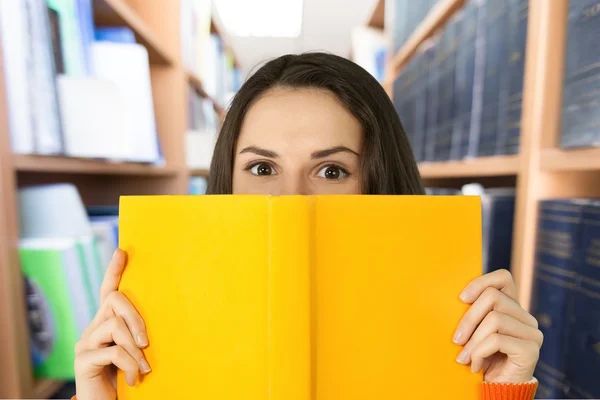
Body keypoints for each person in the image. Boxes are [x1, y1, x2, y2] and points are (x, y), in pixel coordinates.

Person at [73, 53, 541, 399]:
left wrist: (503, 390)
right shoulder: (161, 323)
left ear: (377, 180)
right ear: (226, 179)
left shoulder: (456, 331)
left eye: (332, 170)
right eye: (261, 168)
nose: (290, 197)